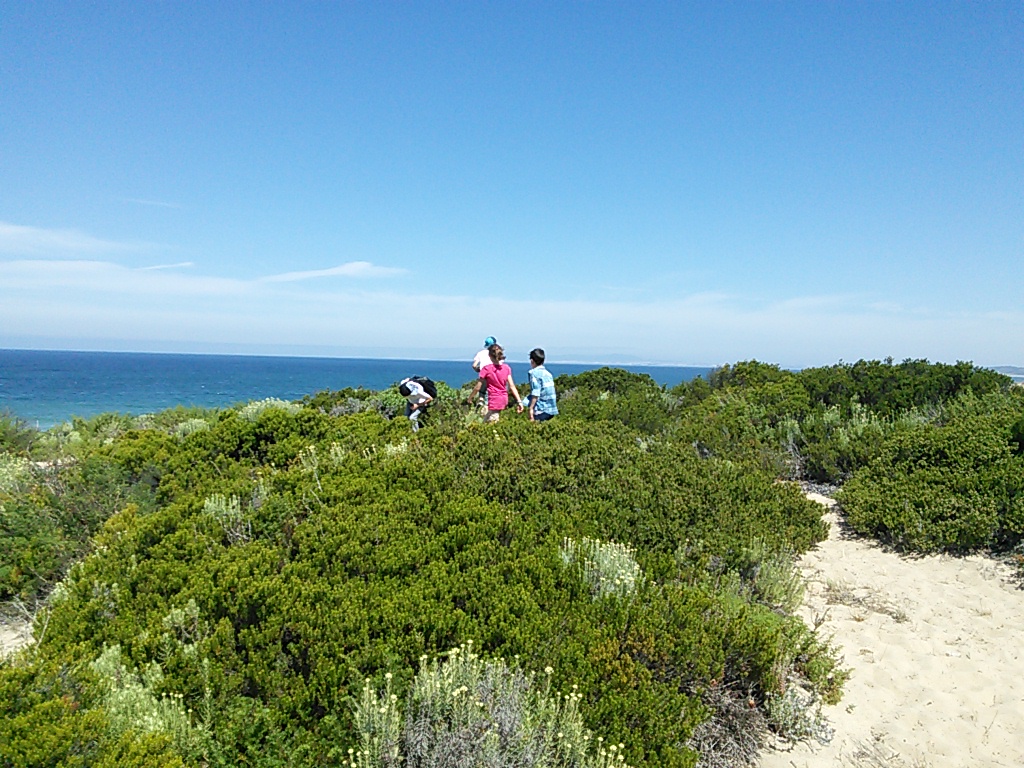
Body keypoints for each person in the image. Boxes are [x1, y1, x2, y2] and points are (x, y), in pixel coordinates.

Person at [467, 343, 524, 423]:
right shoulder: (506, 368)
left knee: (493, 423)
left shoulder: (486, 369)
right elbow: (512, 386)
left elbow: (478, 387)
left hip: (494, 400)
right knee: (486, 422)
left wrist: (470, 398)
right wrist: (519, 401)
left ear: (489, 356)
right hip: (503, 399)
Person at [525, 348, 558, 422]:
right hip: (551, 408)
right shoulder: (548, 374)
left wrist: (531, 409)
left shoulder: (534, 373)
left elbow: (535, 393)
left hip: (541, 408)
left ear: (532, 361)